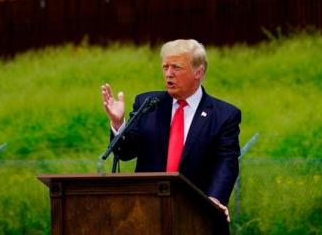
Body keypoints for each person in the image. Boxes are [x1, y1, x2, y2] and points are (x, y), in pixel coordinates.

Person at [101, 39, 240, 224]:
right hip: (146, 213)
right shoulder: (148, 104)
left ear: (198, 72)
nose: (169, 74)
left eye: (176, 67)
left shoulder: (224, 115)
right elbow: (125, 152)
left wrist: (214, 199)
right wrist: (118, 123)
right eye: (165, 67)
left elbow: (226, 162)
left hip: (196, 214)